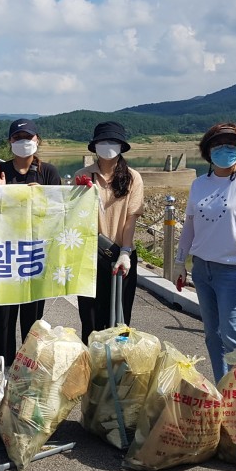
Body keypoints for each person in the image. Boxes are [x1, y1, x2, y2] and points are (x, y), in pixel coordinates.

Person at [173, 122, 236, 384]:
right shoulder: (199, 184)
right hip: (203, 269)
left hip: (234, 272)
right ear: (208, 150)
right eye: (219, 145)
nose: (225, 150)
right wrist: (180, 262)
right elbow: (190, 225)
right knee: (212, 334)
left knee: (233, 334)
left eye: (232, 145)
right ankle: (221, 386)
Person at [0, 118, 61, 364]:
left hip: (34, 256)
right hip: (5, 256)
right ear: (10, 142)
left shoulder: (48, 172)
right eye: (18, 138)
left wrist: (41, 196)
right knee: (2, 319)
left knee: (32, 319)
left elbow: (59, 212)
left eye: (28, 138)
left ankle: (29, 367)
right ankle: (1, 368)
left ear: (37, 140)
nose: (23, 142)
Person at [73, 121, 145, 342]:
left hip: (120, 255)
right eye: (102, 141)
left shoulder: (133, 177)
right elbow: (74, 216)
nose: (107, 146)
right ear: (94, 146)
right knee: (91, 318)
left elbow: (131, 217)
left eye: (113, 141)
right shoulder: (82, 175)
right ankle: (93, 370)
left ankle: (116, 370)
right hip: (89, 256)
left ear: (122, 146)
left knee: (119, 319)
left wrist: (125, 251)